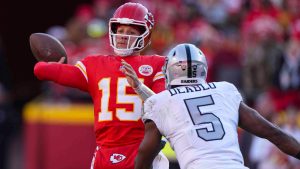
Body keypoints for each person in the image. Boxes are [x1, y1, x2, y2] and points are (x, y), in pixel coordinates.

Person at [121, 43, 300, 169]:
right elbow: (273, 133)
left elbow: (144, 157)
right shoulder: (224, 90)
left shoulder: (159, 103)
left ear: (170, 71)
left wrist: (140, 89)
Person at [33, 2, 168, 169]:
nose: (124, 36)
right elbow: (41, 70)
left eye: (131, 32)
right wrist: (56, 65)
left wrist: (139, 86)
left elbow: (163, 106)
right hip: (105, 151)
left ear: (145, 36)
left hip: (142, 150)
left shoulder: (157, 64)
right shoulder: (94, 64)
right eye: (120, 31)